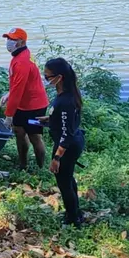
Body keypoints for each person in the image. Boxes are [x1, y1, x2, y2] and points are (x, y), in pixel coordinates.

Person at [39, 57, 86, 227]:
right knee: (67, 178)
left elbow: (66, 133)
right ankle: (76, 212)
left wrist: (56, 158)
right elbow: (65, 121)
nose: (46, 80)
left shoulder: (66, 100)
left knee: (64, 183)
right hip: (69, 142)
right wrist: (50, 118)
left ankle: (73, 219)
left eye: (48, 77)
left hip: (67, 146)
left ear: (60, 77)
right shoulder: (65, 95)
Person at [1, 28, 49, 170]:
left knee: (35, 136)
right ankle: (22, 165)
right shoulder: (21, 55)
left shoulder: (22, 61)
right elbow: (20, 84)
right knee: (19, 132)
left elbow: (18, 90)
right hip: (22, 103)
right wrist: (9, 93)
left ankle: (41, 168)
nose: (8, 42)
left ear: (21, 42)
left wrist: (8, 116)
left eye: (12, 39)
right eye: (8, 38)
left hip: (35, 105)